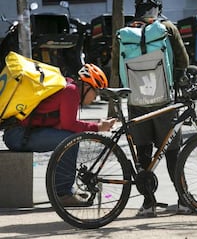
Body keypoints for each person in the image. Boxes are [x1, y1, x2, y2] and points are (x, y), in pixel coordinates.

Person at [3, 63, 116, 206]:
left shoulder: (68, 87)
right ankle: (62, 194)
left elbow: (65, 123)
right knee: (70, 141)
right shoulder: (71, 92)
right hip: (18, 136)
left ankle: (64, 190)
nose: (95, 98)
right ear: (87, 87)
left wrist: (95, 125)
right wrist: (99, 127)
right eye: (96, 92)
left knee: (69, 137)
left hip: (17, 133)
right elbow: (70, 125)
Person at [127, 0, 190, 217]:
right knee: (173, 152)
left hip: (136, 101)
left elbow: (116, 67)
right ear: (159, 8)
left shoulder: (126, 32)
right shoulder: (168, 28)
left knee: (143, 153)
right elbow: (183, 60)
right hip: (164, 100)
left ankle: (148, 204)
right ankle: (183, 201)